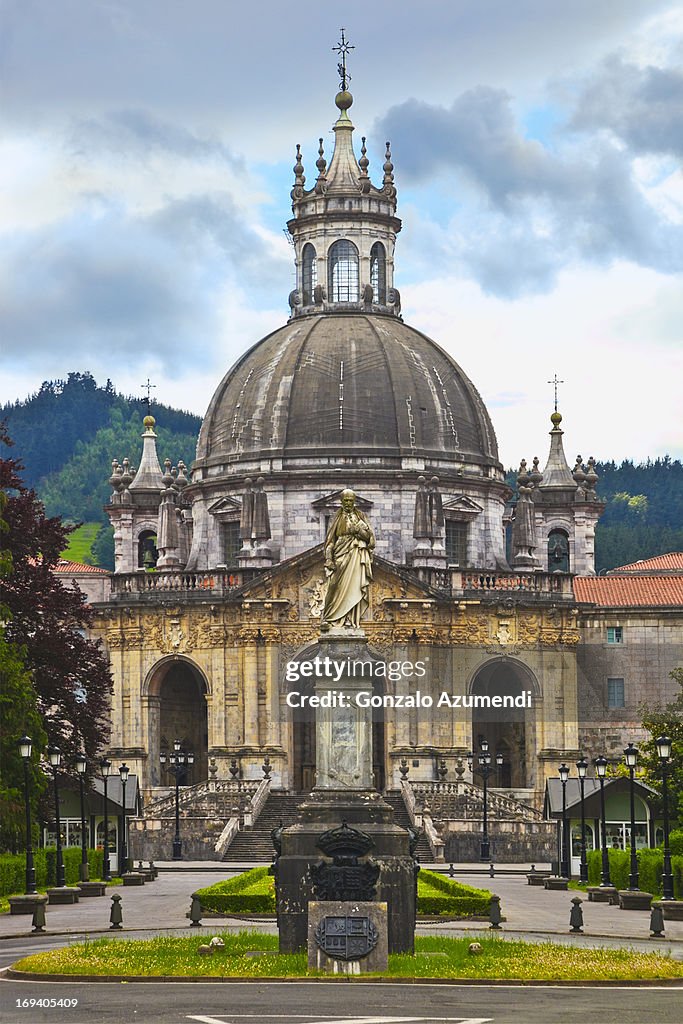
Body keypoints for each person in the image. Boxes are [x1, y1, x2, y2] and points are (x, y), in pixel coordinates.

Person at [321, 489, 375, 631]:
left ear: (354, 501)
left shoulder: (360, 516)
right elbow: (330, 541)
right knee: (333, 586)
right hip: (339, 554)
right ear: (341, 501)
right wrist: (329, 558)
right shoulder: (335, 518)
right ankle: (328, 617)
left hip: (356, 554)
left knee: (355, 585)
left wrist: (358, 530)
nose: (348, 503)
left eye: (351, 500)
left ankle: (350, 620)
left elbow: (370, 540)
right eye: (346, 500)